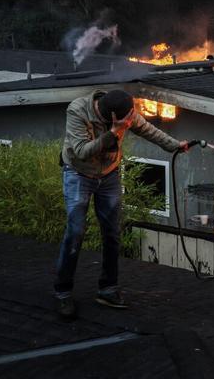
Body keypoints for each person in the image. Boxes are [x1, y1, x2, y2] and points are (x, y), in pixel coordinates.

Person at [54, 88, 188, 319]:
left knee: (113, 233)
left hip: (109, 175)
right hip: (78, 174)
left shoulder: (125, 112)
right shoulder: (78, 110)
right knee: (75, 232)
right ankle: (63, 292)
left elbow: (148, 129)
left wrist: (174, 145)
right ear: (112, 117)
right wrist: (113, 133)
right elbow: (81, 151)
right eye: (126, 120)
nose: (131, 121)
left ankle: (108, 289)